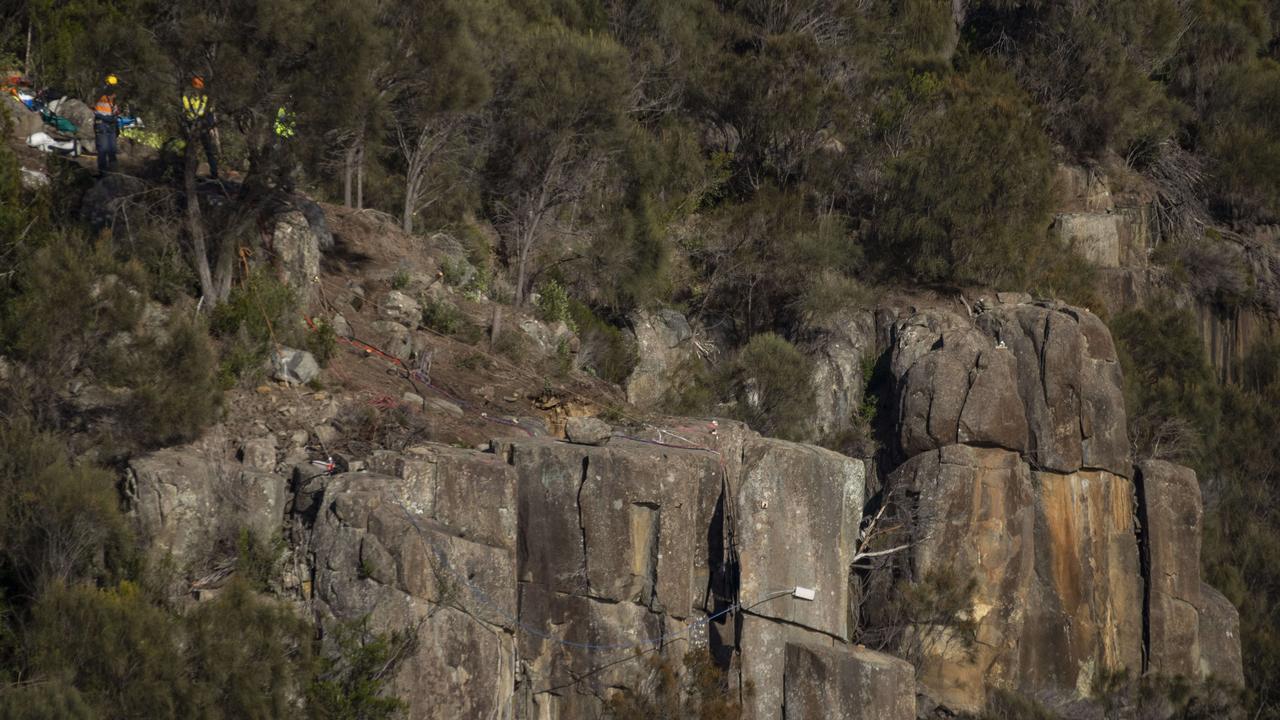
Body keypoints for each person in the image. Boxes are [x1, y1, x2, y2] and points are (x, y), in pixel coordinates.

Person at [182, 75, 218, 179]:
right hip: (194, 127)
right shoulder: (188, 98)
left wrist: (209, 127)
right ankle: (189, 173)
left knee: (207, 151)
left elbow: (210, 114)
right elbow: (185, 113)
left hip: (201, 127)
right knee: (192, 151)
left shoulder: (204, 99)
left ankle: (214, 174)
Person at [93, 74, 121, 174]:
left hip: (111, 125)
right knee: (103, 149)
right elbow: (97, 97)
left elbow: (114, 110)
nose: (113, 88)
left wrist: (116, 122)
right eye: (112, 85)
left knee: (112, 150)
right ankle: (103, 173)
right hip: (102, 124)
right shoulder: (100, 94)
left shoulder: (113, 96)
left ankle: (114, 172)